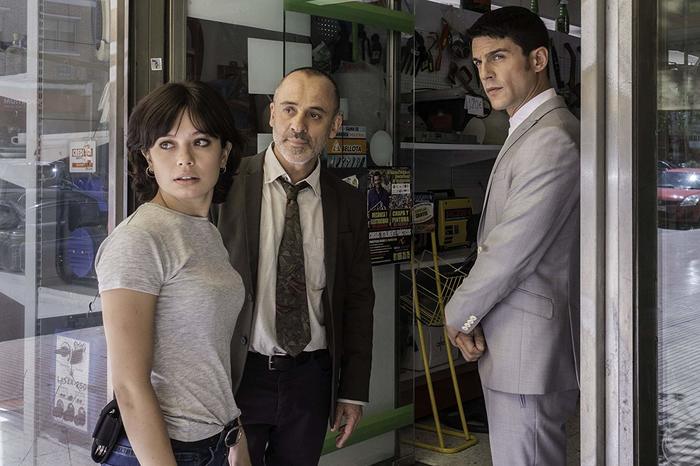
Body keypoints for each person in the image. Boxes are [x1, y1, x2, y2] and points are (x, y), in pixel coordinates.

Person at [215, 67, 375, 466]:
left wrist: (352, 391)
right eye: (289, 109)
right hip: (238, 376)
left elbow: (358, 302)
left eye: (315, 115)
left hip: (311, 381)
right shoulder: (224, 188)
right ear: (272, 114)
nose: (298, 126)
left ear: (335, 125)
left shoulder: (348, 203)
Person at [444, 7, 580, 466]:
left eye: (499, 57)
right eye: (479, 62)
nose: (485, 73)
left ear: (538, 59)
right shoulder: (532, 130)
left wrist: (458, 314)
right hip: (517, 343)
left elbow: (510, 251)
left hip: (528, 349)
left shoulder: (551, 139)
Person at [95, 81, 251, 466]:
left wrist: (235, 436)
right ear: (147, 157)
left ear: (224, 153)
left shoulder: (205, 231)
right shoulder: (139, 239)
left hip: (215, 442)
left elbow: (206, 356)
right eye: (167, 144)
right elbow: (129, 386)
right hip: (160, 450)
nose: (185, 159)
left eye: (201, 142)